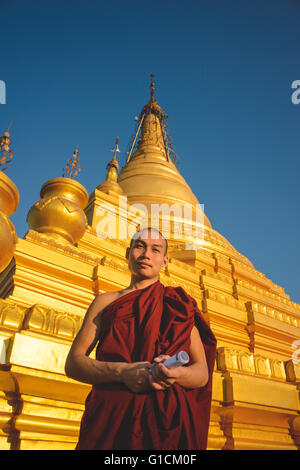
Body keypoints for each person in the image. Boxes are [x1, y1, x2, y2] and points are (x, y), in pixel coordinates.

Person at [65, 227, 217, 450]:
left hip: (164, 425)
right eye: (139, 246)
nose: (146, 254)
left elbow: (201, 373)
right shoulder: (105, 302)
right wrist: (123, 372)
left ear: (164, 261)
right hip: (110, 416)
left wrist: (175, 373)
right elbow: (73, 363)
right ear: (128, 253)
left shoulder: (177, 306)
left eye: (155, 250)